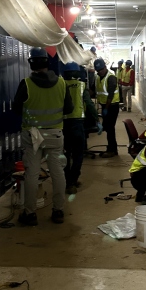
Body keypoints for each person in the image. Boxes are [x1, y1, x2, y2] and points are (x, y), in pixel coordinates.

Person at [12, 47, 73, 226]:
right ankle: (58, 211)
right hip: (55, 134)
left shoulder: (26, 84)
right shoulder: (61, 83)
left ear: (31, 63)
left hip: (33, 135)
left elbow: (16, 109)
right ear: (47, 62)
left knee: (31, 173)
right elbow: (68, 109)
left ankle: (30, 214)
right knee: (57, 172)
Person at [62, 62, 100, 194]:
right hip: (78, 123)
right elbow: (89, 104)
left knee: (66, 153)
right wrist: (97, 120)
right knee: (78, 153)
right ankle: (72, 181)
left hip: (63, 123)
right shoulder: (82, 85)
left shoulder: (60, 85)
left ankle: (67, 181)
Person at [92, 58, 120, 158]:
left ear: (105, 67)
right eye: (98, 70)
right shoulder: (97, 76)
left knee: (110, 128)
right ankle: (111, 148)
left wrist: (106, 109)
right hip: (105, 105)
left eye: (101, 70)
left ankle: (112, 150)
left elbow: (110, 95)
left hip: (112, 105)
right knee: (108, 128)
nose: (100, 72)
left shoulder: (111, 77)